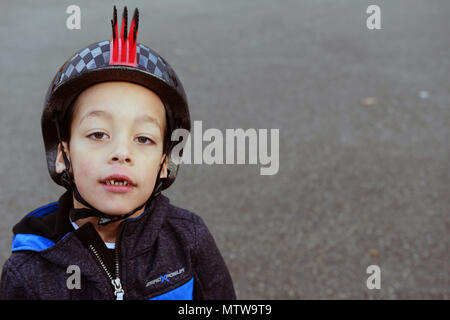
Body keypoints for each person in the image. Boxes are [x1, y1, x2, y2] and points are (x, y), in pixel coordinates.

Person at [0, 6, 235, 300]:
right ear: (63, 154)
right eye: (98, 134)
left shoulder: (188, 240)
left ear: (165, 162)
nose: (122, 152)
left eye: (144, 138)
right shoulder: (29, 273)